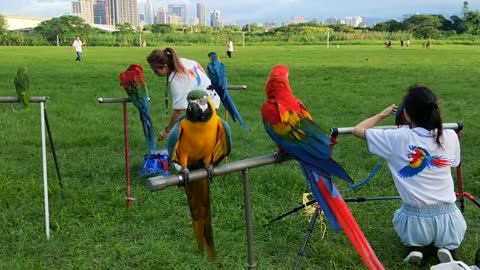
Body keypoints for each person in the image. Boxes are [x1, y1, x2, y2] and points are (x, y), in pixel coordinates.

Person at [352, 84, 466, 264]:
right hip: (450, 221)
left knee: (410, 222)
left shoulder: (397, 137)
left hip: (415, 223)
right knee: (447, 234)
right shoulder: (450, 135)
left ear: (405, 115)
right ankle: (446, 248)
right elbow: (455, 163)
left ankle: (416, 247)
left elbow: (357, 129)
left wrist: (383, 114)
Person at [146, 47, 220, 141]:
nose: (155, 73)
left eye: (156, 71)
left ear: (165, 66)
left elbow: (179, 111)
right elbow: (197, 65)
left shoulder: (177, 80)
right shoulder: (181, 61)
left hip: (205, 106)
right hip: (213, 97)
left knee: (192, 137)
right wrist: (205, 82)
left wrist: (168, 131)